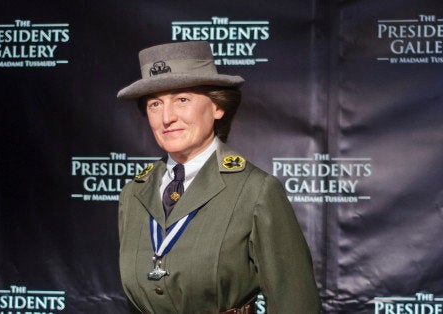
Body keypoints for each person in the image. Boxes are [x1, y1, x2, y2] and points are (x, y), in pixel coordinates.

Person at [117, 41, 320, 313]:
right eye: (155, 104)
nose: (167, 117)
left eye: (182, 100)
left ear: (217, 107)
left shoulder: (255, 190)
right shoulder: (133, 193)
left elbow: (295, 303)